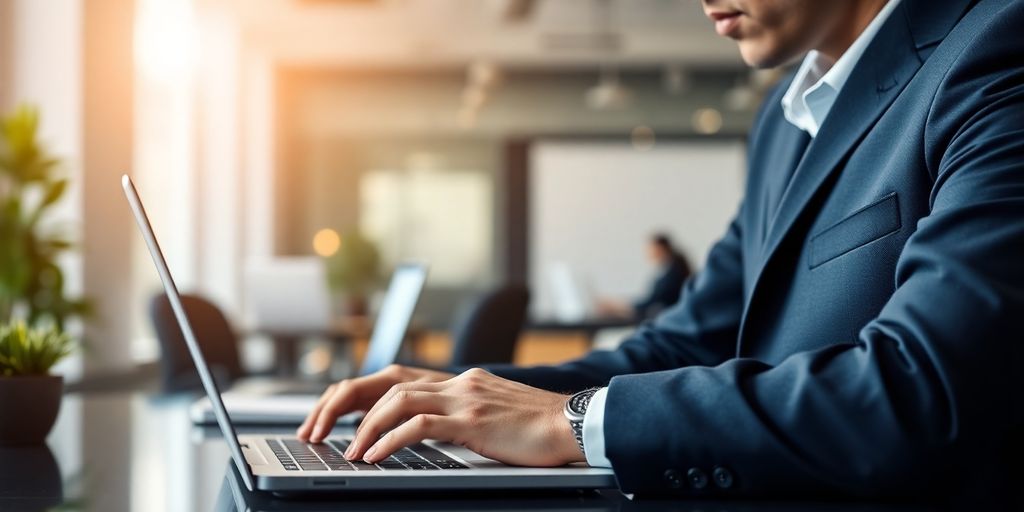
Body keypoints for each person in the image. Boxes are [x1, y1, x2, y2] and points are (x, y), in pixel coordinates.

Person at [298, 0, 1024, 503]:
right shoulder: (783, 118)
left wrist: (573, 421)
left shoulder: (995, 54)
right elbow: (687, 341)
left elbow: (923, 393)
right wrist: (457, 394)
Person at [597, 233, 692, 319]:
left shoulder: (672, 274)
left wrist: (617, 307)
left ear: (660, 249)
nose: (648, 253)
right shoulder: (671, 269)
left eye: (651, 249)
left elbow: (649, 302)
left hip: (670, 320)